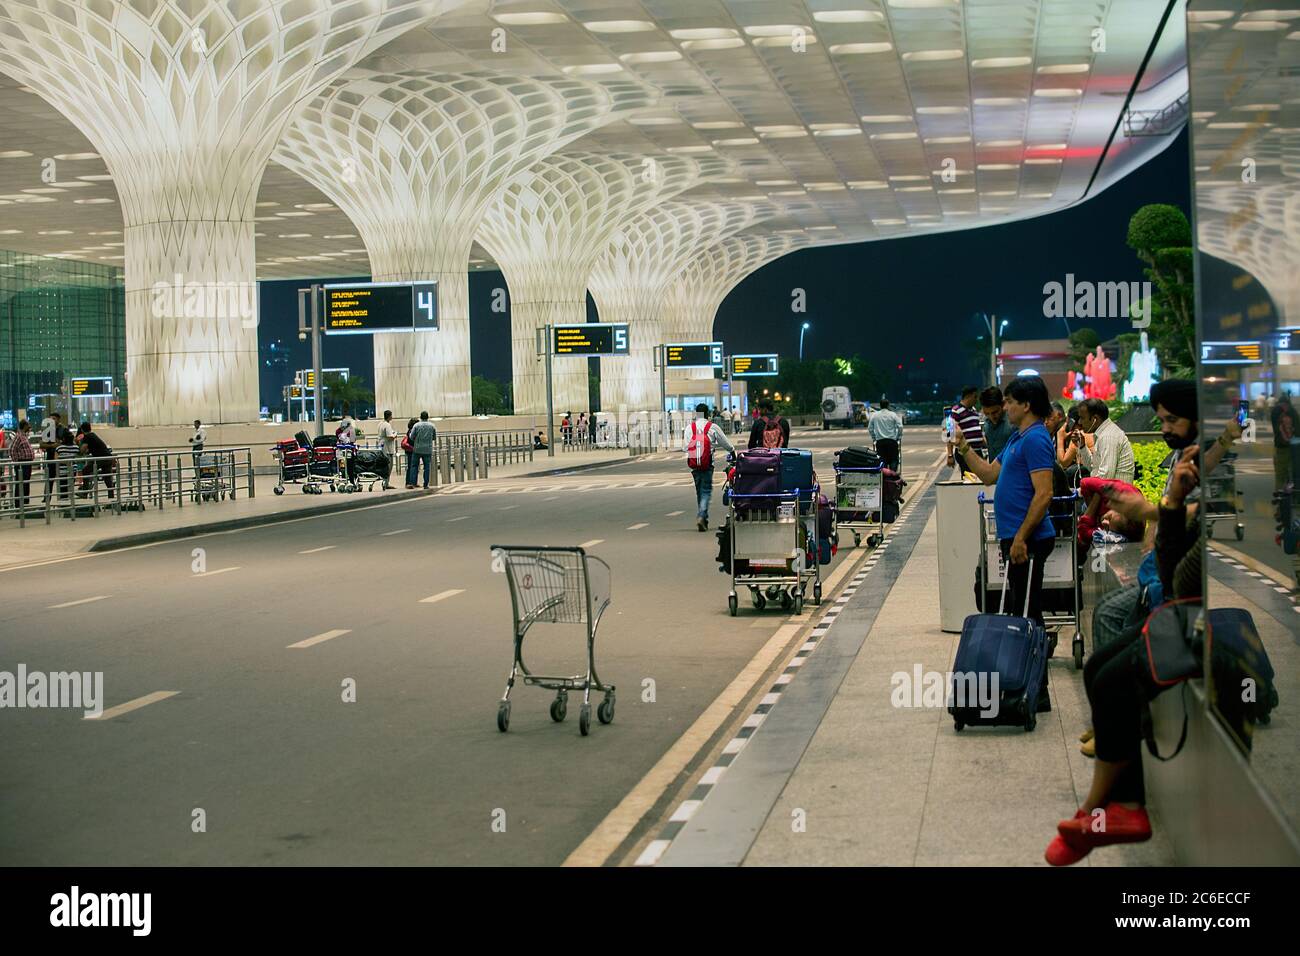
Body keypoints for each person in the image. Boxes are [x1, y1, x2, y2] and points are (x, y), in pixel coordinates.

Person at [1045, 442, 1202, 865]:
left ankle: (1098, 809)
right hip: (1171, 600)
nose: (1164, 430)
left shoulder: (1209, 495)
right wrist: (1164, 505)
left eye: (1170, 421)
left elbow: (1174, 571)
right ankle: (1122, 806)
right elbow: (1166, 560)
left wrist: (1156, 510)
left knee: (1116, 680)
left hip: (1189, 613)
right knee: (1098, 665)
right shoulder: (1189, 482)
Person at [954, 375, 1057, 698]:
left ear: (1026, 405)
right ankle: (1024, 682)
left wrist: (1021, 539)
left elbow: (1044, 495)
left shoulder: (1037, 439)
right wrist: (964, 448)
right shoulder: (1017, 439)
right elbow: (988, 474)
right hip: (1015, 537)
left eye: (1011, 402)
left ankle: (1035, 689)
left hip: (1028, 540)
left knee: (1028, 614)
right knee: (1020, 609)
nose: (1006, 407)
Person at [684, 402, 734, 531]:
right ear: (708, 414)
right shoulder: (712, 427)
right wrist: (732, 452)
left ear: (697, 414)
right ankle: (702, 515)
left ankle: (703, 517)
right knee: (706, 490)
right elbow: (726, 443)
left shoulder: (690, 428)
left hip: (694, 465)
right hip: (707, 464)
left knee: (699, 491)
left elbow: (685, 447)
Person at [1075, 397, 1135, 484]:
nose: (1079, 422)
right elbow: (1094, 467)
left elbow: (1105, 478)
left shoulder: (1108, 436)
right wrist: (1082, 446)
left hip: (1115, 496)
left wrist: (1083, 491)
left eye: (1082, 418)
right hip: (1109, 493)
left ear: (1095, 419)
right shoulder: (1103, 433)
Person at [946, 386, 986, 475]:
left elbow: (978, 430)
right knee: (969, 480)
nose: (976, 400)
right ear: (968, 396)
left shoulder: (974, 410)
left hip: (977, 451)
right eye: (975, 397)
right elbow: (950, 434)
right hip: (965, 452)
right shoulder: (955, 411)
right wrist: (950, 455)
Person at [1271, 392, 1295, 524]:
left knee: (1280, 477)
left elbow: (1276, 429)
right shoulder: (1293, 412)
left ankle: (1280, 508)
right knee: (1293, 476)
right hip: (1295, 448)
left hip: (1281, 448)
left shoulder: (1275, 411)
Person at [75, 422, 115, 499]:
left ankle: (85, 492)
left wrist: (78, 444)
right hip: (107, 457)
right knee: (107, 478)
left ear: (82, 430)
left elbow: (83, 450)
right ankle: (111, 497)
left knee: (85, 470)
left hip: (100, 458)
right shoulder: (93, 435)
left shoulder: (87, 436)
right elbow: (90, 449)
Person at [868, 398, 903, 471]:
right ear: (888, 405)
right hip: (891, 441)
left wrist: (874, 437)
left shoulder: (875, 415)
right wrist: (898, 436)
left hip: (880, 442)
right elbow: (900, 426)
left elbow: (870, 428)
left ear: (880, 406)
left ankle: (885, 476)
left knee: (882, 460)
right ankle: (892, 475)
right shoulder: (892, 415)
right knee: (893, 459)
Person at [980, 386, 1013, 461]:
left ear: (1003, 404)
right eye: (987, 413)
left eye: (995, 412)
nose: (991, 417)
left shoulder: (1013, 422)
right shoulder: (986, 423)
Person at [8, 419, 35, 510]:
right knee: (21, 483)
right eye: (28, 425)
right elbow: (12, 449)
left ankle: (25, 503)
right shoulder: (19, 436)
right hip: (22, 463)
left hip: (27, 463)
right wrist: (17, 462)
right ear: (24, 426)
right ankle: (19, 504)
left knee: (26, 483)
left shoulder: (23, 436)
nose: (29, 427)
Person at [410, 412, 436, 489]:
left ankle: (413, 482)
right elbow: (434, 437)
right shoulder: (432, 426)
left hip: (417, 448)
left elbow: (412, 437)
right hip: (427, 449)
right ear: (428, 417)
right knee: (427, 467)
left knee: (414, 466)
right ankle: (425, 484)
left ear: (420, 417)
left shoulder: (416, 425)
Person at [377, 409, 398, 490]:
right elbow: (390, 437)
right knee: (389, 466)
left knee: (385, 466)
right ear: (389, 416)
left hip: (382, 447)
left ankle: (385, 482)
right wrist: (395, 434)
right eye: (391, 415)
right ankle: (386, 483)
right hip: (388, 449)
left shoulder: (380, 424)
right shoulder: (387, 425)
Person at [402, 417, 419, 488]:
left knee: (414, 466)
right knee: (411, 466)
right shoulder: (411, 431)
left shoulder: (411, 430)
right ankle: (409, 482)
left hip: (412, 450)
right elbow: (412, 440)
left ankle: (413, 482)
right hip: (411, 450)